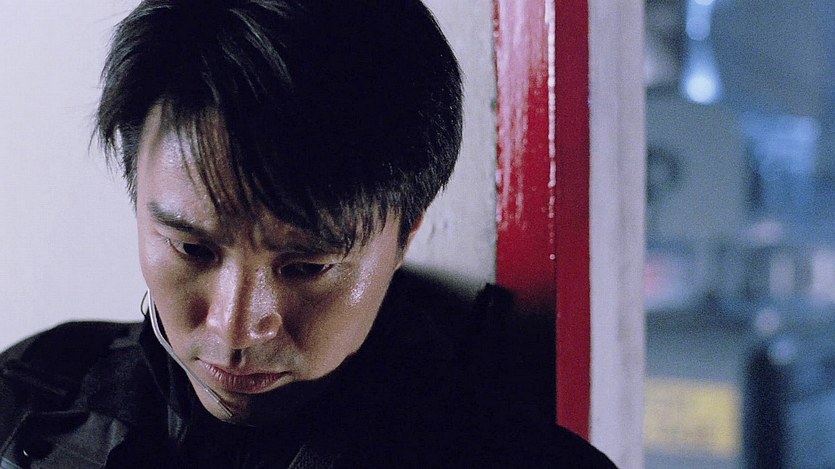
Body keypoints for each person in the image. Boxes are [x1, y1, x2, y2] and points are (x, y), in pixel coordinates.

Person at [0, 0, 616, 467]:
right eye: (192, 249)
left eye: (305, 266)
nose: (235, 329)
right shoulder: (26, 392)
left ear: (405, 234)